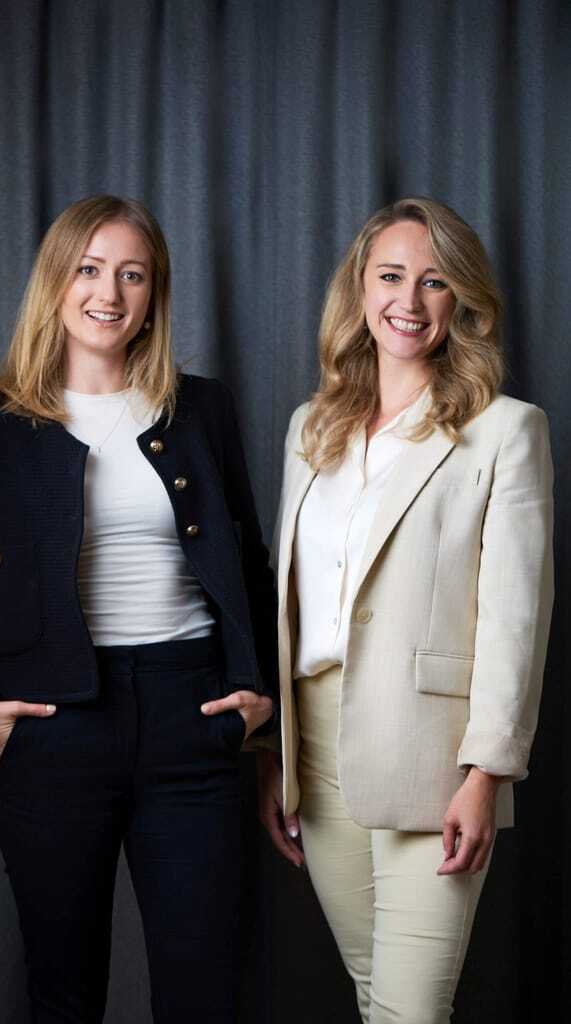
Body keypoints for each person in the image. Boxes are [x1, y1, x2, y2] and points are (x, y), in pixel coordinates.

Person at [0, 194, 276, 1024]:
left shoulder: (202, 410)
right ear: (56, 282)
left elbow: (247, 565)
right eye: (89, 269)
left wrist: (260, 700)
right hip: (56, 726)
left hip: (192, 718)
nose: (108, 293)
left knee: (204, 996)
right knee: (63, 995)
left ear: (153, 294)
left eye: (131, 275)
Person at [257, 197, 554, 1024]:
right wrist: (272, 754)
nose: (409, 301)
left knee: (409, 1013)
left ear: (460, 299)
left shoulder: (505, 432)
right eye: (390, 276)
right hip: (314, 751)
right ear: (360, 288)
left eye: (434, 281)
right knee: (374, 998)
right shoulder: (309, 429)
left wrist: (485, 774)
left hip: (433, 757)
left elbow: (515, 619)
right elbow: (290, 602)